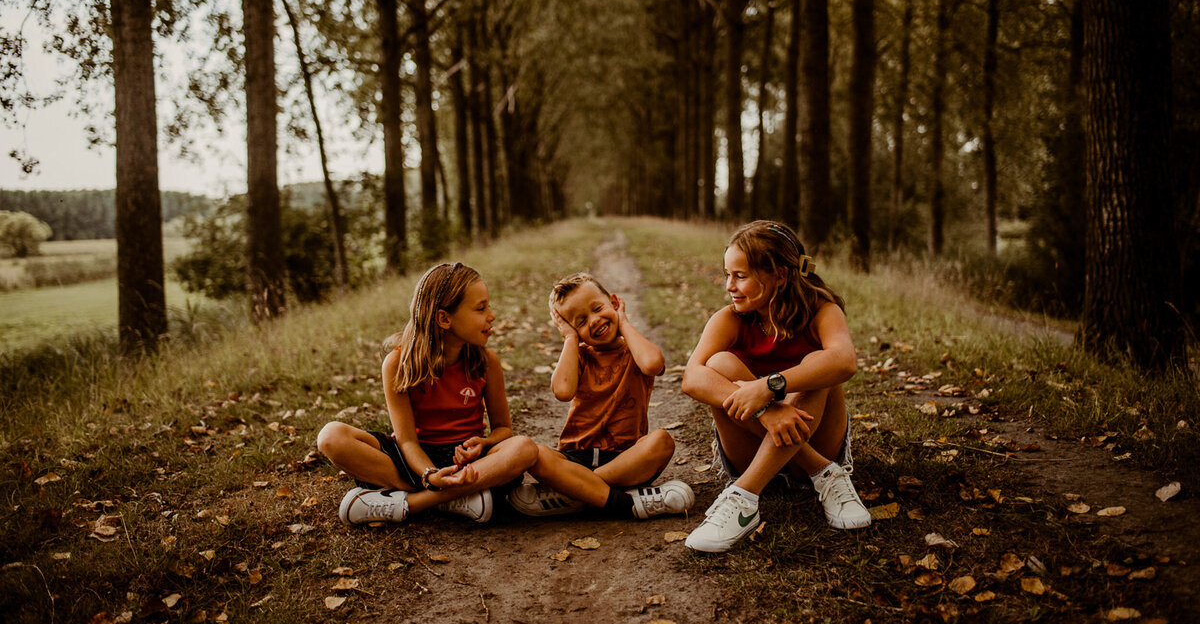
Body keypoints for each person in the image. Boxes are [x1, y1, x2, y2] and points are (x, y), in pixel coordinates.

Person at [681, 221, 870, 552]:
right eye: (727, 274)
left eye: (740, 276)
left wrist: (770, 387)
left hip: (818, 433)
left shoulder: (821, 311)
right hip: (749, 448)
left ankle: (745, 496)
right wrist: (767, 411)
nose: (729, 286)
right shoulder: (729, 319)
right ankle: (825, 474)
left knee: (818, 364)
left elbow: (844, 362)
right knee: (718, 365)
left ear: (780, 275)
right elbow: (691, 379)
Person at [317, 262, 538, 525]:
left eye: (488, 306)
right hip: (412, 460)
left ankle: (410, 503)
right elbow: (407, 441)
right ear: (444, 318)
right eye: (481, 308)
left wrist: (485, 443)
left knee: (524, 449)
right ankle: (453, 498)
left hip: (467, 463)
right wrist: (429, 475)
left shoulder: (486, 362)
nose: (491, 315)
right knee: (331, 436)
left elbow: (503, 430)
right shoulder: (398, 363)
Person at [507, 272, 694, 519]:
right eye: (581, 321)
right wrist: (570, 339)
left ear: (614, 303)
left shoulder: (635, 352)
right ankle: (617, 498)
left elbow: (652, 364)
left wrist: (623, 322)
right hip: (575, 457)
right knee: (536, 453)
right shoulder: (581, 356)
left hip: (624, 460)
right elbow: (562, 391)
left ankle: (575, 492)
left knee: (661, 441)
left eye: (597, 309)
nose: (594, 321)